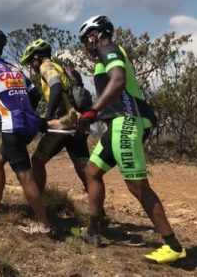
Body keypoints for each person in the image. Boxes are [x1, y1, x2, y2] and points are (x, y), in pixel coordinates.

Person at [76, 15, 185, 264]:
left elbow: (118, 80)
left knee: (137, 186)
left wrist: (92, 112)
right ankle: (93, 231)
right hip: (116, 124)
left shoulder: (109, 47)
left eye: (86, 41)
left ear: (96, 35)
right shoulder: (105, 54)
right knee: (92, 171)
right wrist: (90, 117)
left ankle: (173, 245)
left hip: (127, 123)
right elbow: (112, 95)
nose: (87, 46)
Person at [0, 29, 52, 235]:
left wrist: (0, 120)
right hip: (28, 124)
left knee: (25, 177)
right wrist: (27, 113)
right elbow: (34, 94)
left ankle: (44, 224)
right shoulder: (15, 68)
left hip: (12, 127)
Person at [20, 39, 90, 194]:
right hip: (77, 122)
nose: (32, 65)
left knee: (37, 161)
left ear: (38, 57)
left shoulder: (47, 66)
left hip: (63, 123)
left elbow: (56, 87)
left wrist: (48, 117)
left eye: (32, 60)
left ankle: (37, 203)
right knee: (83, 167)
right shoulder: (59, 67)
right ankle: (98, 213)